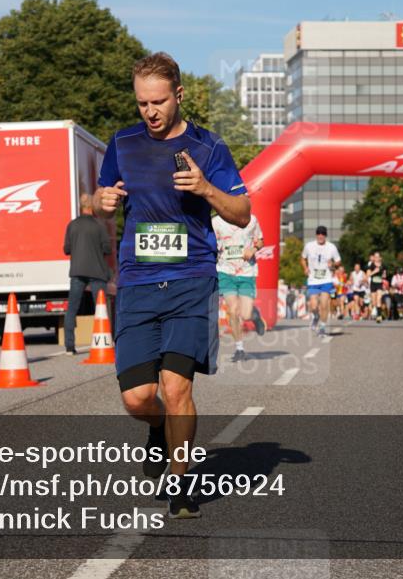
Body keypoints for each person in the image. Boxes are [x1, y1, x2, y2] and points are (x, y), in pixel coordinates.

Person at [95, 52, 249, 520]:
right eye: (142, 103)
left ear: (178, 95)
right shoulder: (122, 143)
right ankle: (158, 428)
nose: (150, 112)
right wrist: (101, 201)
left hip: (191, 279)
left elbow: (242, 214)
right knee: (138, 398)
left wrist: (205, 190)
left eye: (158, 102)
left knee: (177, 386)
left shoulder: (209, 147)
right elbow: (100, 199)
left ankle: (180, 483)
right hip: (138, 282)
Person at [62, 193, 112, 355]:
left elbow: (66, 249)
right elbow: (107, 249)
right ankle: (105, 341)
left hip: (77, 271)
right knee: (101, 308)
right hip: (97, 271)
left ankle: (69, 346)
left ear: (81, 207)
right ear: (93, 207)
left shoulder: (72, 225)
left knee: (72, 308)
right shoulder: (99, 225)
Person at [213, 212, 265, 361]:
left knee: (245, 315)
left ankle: (254, 315)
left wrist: (253, 250)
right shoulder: (216, 222)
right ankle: (239, 348)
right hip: (225, 271)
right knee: (233, 311)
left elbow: (260, 241)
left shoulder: (251, 220)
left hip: (246, 272)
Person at [301, 226, 342, 335]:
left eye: (323, 234)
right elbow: (303, 258)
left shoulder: (331, 247)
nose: (320, 236)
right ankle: (316, 316)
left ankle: (322, 326)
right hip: (313, 280)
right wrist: (305, 268)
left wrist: (333, 264)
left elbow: (338, 261)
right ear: (316, 235)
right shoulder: (309, 246)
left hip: (326, 280)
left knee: (324, 305)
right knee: (313, 305)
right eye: (319, 234)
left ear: (325, 235)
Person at [366, 252, 387, 322]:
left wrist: (383, 275)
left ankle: (379, 316)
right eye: (375, 257)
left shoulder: (383, 265)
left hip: (379, 284)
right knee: (374, 302)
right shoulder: (371, 265)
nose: (376, 258)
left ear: (380, 258)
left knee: (379, 299)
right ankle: (375, 311)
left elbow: (384, 275)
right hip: (373, 284)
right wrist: (374, 271)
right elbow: (368, 275)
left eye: (378, 257)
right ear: (374, 258)